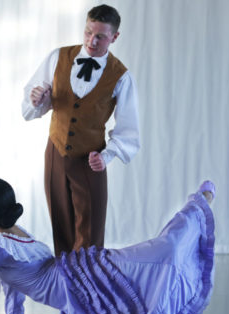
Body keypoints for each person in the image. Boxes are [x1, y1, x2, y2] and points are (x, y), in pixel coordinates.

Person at [0, 176, 215, 314]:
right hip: (82, 276)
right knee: (160, 255)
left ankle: (197, 206)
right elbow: (13, 287)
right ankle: (197, 206)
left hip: (78, 284)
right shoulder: (12, 233)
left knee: (161, 255)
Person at [22, 4, 141, 256]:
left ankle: (88, 287)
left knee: (90, 231)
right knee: (60, 224)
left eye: (100, 36)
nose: (92, 41)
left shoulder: (121, 76)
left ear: (114, 37)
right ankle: (66, 284)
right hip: (54, 153)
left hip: (90, 160)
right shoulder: (58, 57)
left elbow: (129, 130)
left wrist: (106, 156)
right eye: (88, 32)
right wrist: (36, 99)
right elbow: (35, 105)